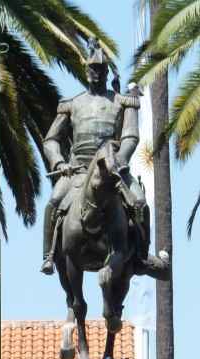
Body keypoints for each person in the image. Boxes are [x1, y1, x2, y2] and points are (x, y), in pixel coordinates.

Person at [40, 38, 148, 275]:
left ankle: (140, 255)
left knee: (139, 202)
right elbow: (50, 140)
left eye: (100, 69)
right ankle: (48, 255)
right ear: (86, 70)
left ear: (107, 71)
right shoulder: (72, 104)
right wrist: (59, 162)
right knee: (53, 202)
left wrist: (118, 161)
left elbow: (130, 137)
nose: (96, 73)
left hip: (114, 169)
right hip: (78, 170)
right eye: (92, 69)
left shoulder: (124, 102)